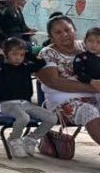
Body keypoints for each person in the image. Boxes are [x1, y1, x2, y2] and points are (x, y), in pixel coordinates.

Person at [37, 16, 100, 149]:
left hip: (94, 95)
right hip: (63, 101)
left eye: (67, 30)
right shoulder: (47, 53)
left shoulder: (87, 46)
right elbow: (53, 81)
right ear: (51, 36)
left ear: (74, 30)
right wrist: (93, 87)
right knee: (88, 110)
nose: (64, 34)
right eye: (58, 32)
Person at [0, 37, 56, 157]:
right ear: (6, 54)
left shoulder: (25, 67)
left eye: (21, 55)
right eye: (14, 54)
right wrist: (2, 55)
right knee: (24, 118)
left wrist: (28, 54)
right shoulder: (1, 68)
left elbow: (41, 63)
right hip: (9, 104)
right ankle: (14, 139)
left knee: (52, 118)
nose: (18, 58)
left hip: (26, 104)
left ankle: (31, 139)